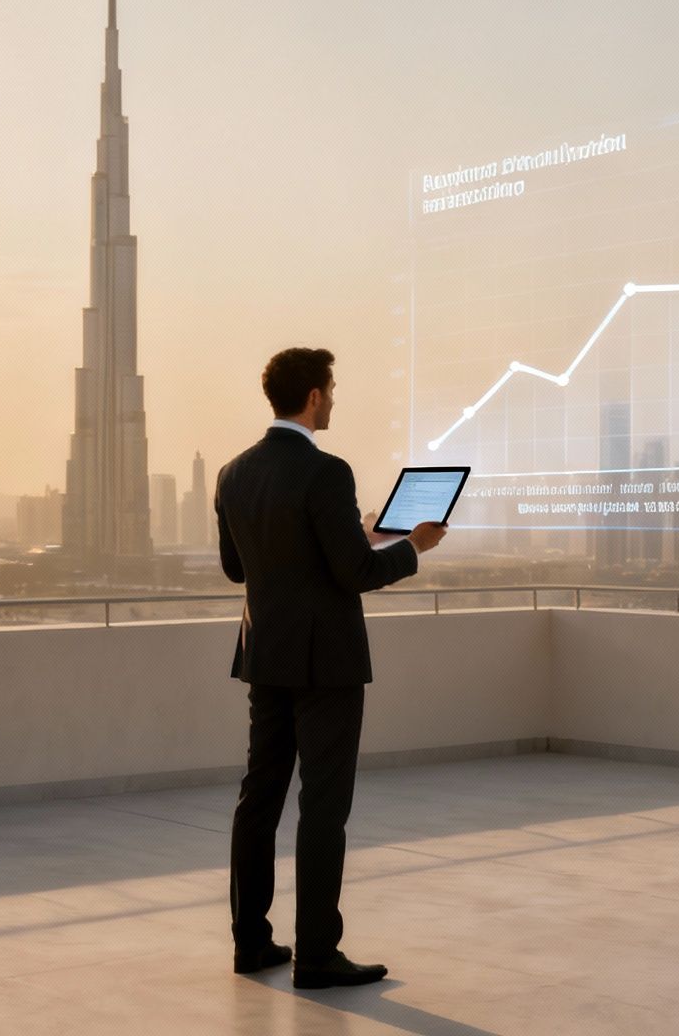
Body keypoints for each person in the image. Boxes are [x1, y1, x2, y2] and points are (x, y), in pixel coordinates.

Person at [215, 347, 448, 989]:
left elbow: (240, 568)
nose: (335, 399)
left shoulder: (234, 473)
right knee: (322, 807)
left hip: (266, 657)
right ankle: (317, 954)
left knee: (258, 798)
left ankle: (251, 943)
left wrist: (358, 533)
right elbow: (357, 574)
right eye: (333, 389)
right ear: (314, 397)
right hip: (328, 667)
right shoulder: (327, 471)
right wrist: (411, 546)